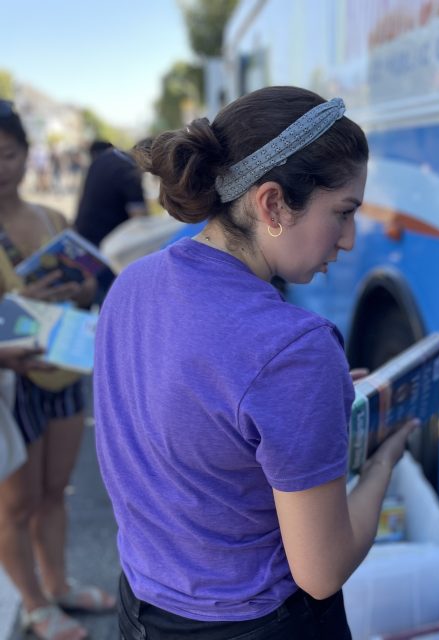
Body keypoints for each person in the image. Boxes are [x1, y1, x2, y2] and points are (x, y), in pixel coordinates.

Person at [94, 86, 415, 639]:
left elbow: (197, 419)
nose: (348, 239)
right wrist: (385, 461)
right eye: (342, 213)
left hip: (141, 606)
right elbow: (322, 570)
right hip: (254, 623)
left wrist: (314, 404)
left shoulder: (134, 282)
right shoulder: (294, 349)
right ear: (270, 204)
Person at [0, 100, 113, 640]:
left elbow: (90, 284)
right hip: (8, 385)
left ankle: (58, 585)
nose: (1, 168)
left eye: (8, 154)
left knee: (55, 491)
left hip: (62, 370)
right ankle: (34, 603)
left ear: (26, 156)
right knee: (15, 505)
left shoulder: (52, 218)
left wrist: (81, 288)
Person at [73, 140, 147, 247]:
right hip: (104, 243)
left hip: (82, 235)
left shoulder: (105, 157)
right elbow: (140, 222)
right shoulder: (131, 171)